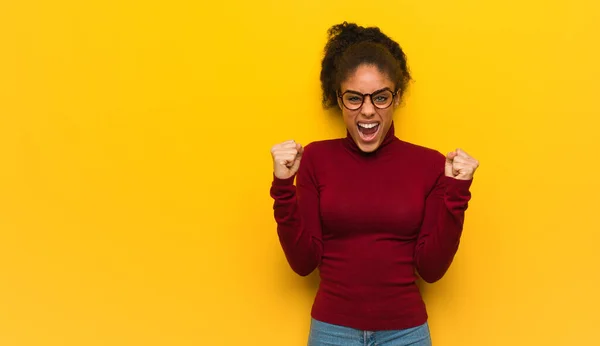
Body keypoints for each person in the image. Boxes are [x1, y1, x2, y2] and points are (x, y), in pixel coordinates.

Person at [269, 22, 479, 346]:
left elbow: (432, 269)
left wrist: (457, 195)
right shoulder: (314, 159)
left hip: (406, 333)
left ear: (396, 98)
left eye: (380, 97)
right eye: (354, 98)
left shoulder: (431, 166)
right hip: (331, 332)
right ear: (339, 100)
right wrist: (283, 189)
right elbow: (303, 262)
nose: (368, 110)